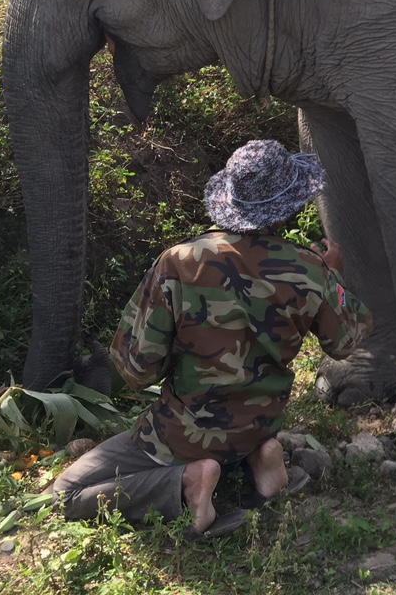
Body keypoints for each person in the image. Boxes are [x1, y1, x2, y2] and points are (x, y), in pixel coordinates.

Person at [52, 140, 370, 537]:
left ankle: (188, 481)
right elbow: (346, 342)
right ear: (291, 205)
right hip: (259, 422)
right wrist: (331, 275)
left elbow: (135, 370)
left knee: (66, 492)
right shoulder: (309, 269)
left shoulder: (180, 262)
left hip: (184, 436)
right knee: (251, 433)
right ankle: (263, 457)